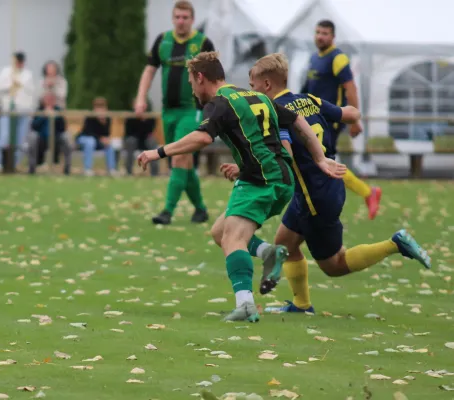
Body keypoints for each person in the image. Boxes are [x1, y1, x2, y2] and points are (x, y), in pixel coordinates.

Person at [137, 52, 346, 322]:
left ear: (201, 78)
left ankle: (245, 304)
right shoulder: (257, 97)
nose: (193, 89)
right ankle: (268, 252)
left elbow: (201, 138)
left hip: (259, 181)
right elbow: (297, 121)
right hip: (282, 181)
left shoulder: (220, 103)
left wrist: (159, 152)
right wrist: (320, 157)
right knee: (219, 232)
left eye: (192, 83)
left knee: (233, 239)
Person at [224, 53, 431, 313]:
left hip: (315, 194)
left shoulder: (277, 113)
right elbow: (349, 112)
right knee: (284, 245)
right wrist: (355, 121)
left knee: (335, 264)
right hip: (322, 184)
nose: (251, 91)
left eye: (253, 86)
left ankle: (394, 244)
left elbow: (284, 154)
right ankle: (301, 304)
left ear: (267, 85)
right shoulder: (307, 100)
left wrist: (244, 169)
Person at [135, 0, 214, 225]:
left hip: (192, 110)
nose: (181, 21)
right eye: (177, 17)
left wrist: (213, 105)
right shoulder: (163, 40)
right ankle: (200, 209)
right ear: (172, 18)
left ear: (192, 19)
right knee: (183, 162)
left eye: (185, 18)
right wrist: (141, 97)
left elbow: (215, 76)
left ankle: (167, 212)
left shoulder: (202, 42)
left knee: (179, 156)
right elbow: (149, 70)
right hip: (168, 111)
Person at [302, 20, 382, 220]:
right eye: (318, 32)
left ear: (333, 37)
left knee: (323, 161)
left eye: (325, 33)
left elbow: (350, 88)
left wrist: (354, 120)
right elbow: (307, 91)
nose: (320, 36)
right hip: (314, 119)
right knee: (320, 161)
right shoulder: (314, 58)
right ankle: (364, 193)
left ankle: (365, 193)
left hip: (331, 120)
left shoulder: (338, 58)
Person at [0, 51, 35, 171]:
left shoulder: (28, 74)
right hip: (7, 109)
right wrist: (11, 84)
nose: (19, 63)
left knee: (20, 140)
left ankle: (15, 163)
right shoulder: (6, 72)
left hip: (23, 110)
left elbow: (30, 93)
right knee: (4, 136)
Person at [27, 91, 71, 175]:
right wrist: (44, 115)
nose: (49, 101)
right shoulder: (39, 110)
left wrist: (56, 117)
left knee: (66, 137)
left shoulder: (58, 110)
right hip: (41, 139)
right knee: (32, 137)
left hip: (56, 138)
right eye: (47, 99)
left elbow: (63, 128)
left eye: (51, 100)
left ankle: (67, 168)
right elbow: (34, 126)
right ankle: (32, 168)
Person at [76, 96, 116, 176]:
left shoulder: (107, 119)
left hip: (97, 142)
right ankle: (87, 169)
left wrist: (103, 123)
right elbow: (88, 132)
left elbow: (107, 134)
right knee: (90, 141)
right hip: (84, 139)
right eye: (98, 107)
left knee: (109, 146)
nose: (100, 109)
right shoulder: (90, 117)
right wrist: (100, 138)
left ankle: (111, 169)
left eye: (102, 107)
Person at [124, 98, 158, 176]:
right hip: (134, 140)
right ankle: (128, 172)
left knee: (152, 142)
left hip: (145, 140)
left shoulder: (150, 116)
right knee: (130, 141)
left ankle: (155, 173)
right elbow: (128, 132)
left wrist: (144, 120)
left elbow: (150, 131)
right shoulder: (130, 117)